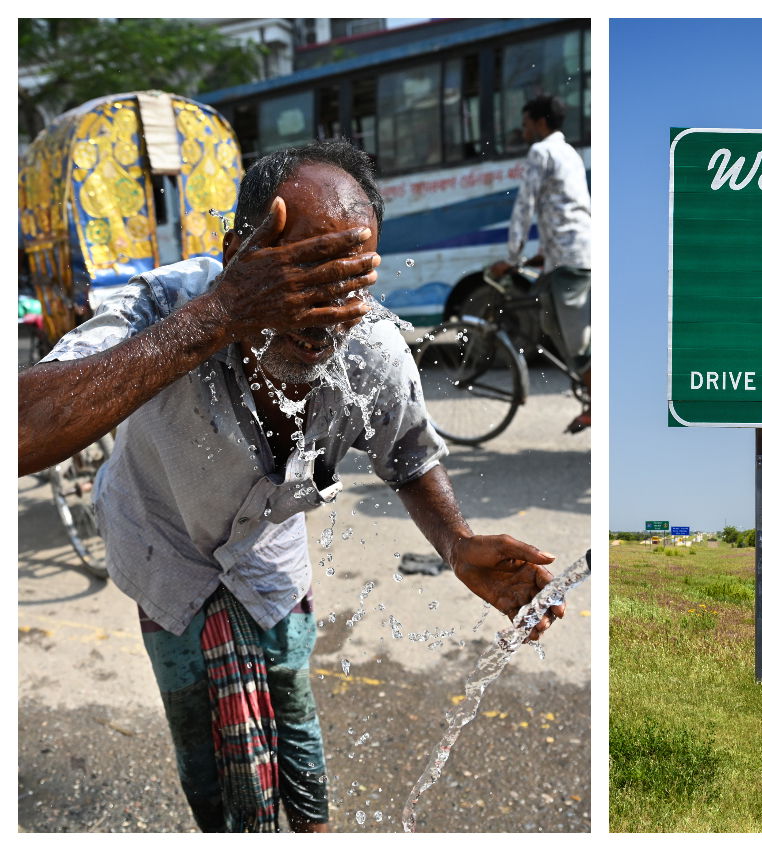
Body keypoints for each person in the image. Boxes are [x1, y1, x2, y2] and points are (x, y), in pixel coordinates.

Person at [17, 139, 565, 833]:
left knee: (299, 750)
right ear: (235, 255)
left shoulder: (370, 346)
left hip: (268, 557)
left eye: (348, 281)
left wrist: (456, 543)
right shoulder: (164, 307)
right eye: (299, 274)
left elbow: (409, 454)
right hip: (162, 551)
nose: (323, 313)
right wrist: (221, 314)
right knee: (207, 769)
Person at [487, 94, 591, 433]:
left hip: (571, 258)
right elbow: (564, 206)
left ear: (540, 122)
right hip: (563, 254)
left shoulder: (541, 151)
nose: (524, 128)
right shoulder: (570, 153)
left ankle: (596, 399)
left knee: (576, 342)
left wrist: (512, 258)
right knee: (548, 321)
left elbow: (525, 207)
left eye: (527, 121)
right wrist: (541, 253)